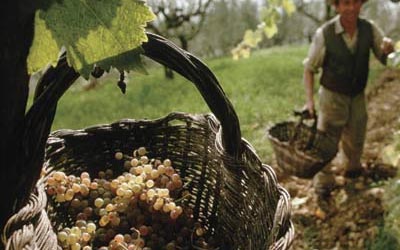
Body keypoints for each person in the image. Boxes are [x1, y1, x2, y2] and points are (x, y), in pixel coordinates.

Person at [302, 0, 395, 202]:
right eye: (345, 3)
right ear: (336, 6)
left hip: (357, 96)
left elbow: (384, 52)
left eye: (355, 2)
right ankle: (324, 185)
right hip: (332, 97)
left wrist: (388, 48)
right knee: (326, 143)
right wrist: (309, 102)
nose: (351, 8)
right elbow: (309, 69)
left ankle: (352, 174)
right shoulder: (324, 34)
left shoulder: (369, 28)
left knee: (357, 137)